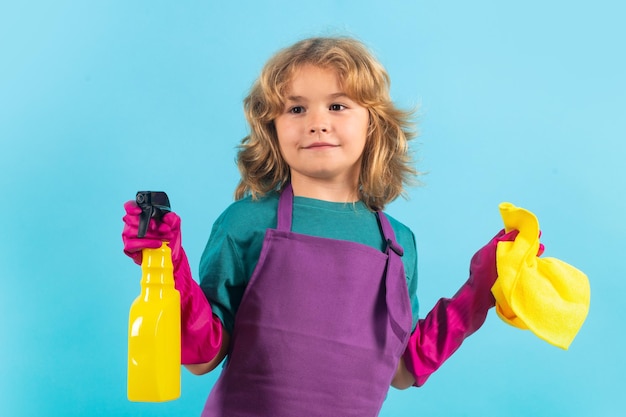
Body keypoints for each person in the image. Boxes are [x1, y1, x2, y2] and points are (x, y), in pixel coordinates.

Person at [122, 36, 519, 417]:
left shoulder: (397, 244)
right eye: (296, 109)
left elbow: (402, 369)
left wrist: (481, 290)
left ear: (373, 125)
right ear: (272, 128)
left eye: (338, 106)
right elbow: (203, 358)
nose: (316, 123)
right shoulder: (245, 222)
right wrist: (167, 265)